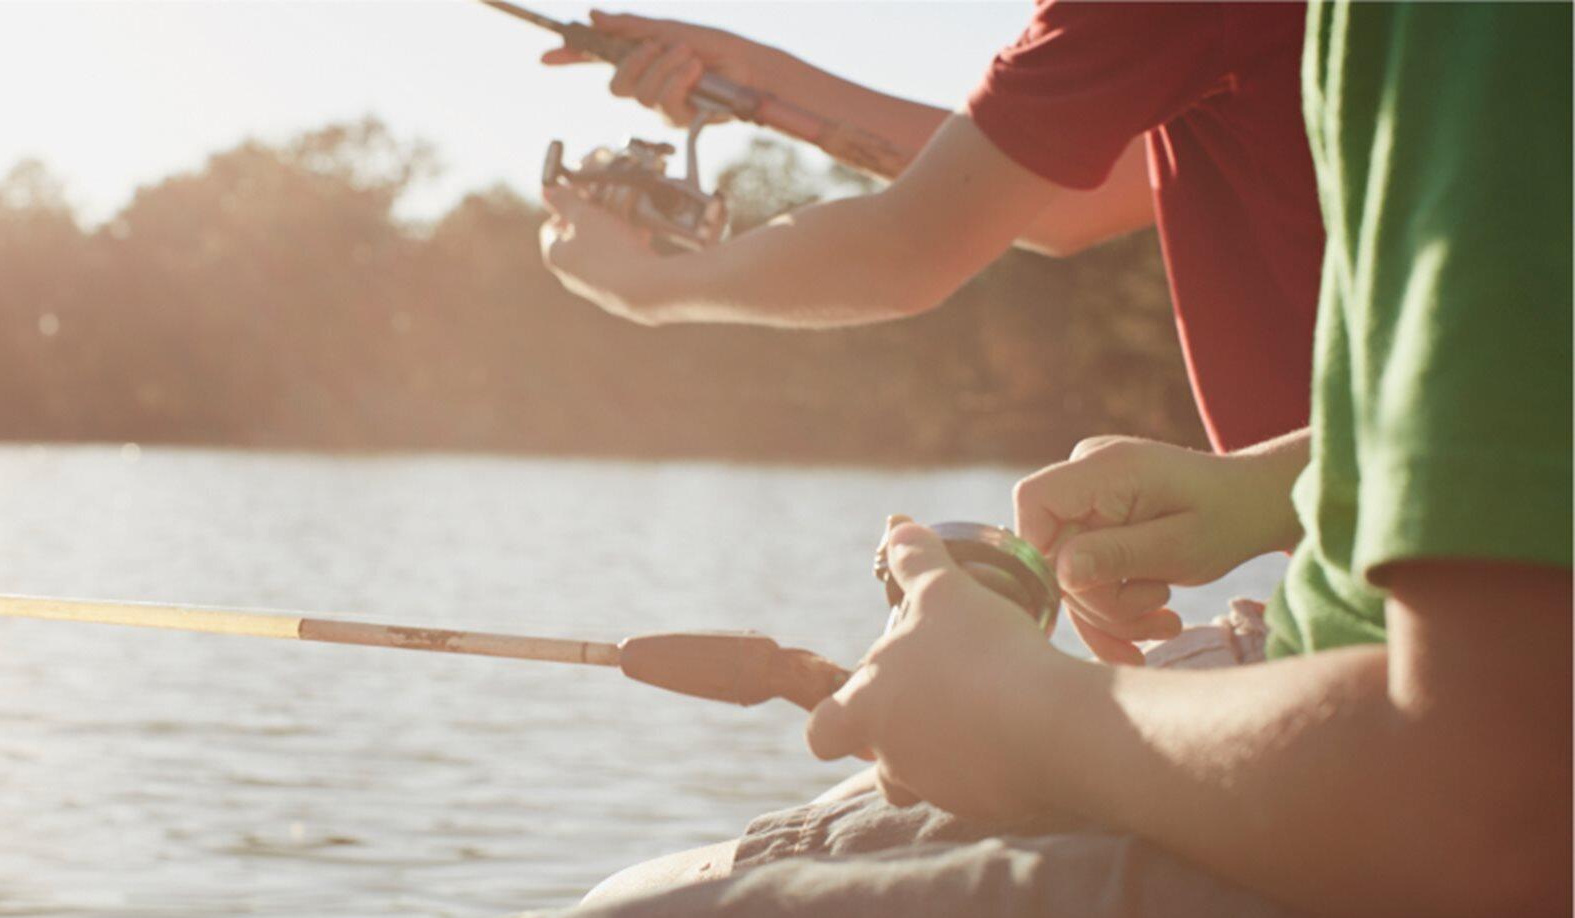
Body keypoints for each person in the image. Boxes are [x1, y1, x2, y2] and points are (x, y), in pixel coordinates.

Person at [261, 2, 1571, 918]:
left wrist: (1024, 715)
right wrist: (1274, 484)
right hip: (1346, 631)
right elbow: (1068, 185)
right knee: (625, 907)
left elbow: (1497, 788)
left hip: (1416, 806)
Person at [537, 2, 1326, 663]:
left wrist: (651, 288)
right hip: (1381, 590)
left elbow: (906, 251)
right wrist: (764, 84)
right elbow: (1069, 196)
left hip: (1388, 624)